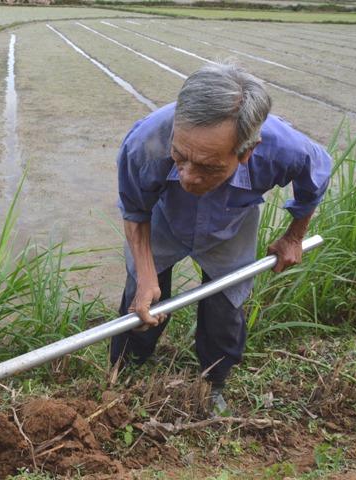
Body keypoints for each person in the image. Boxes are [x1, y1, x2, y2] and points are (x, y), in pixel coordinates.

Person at [110, 62, 332, 414]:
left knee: (225, 309)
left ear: (247, 152)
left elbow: (315, 180)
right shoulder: (146, 143)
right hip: (163, 219)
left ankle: (213, 383)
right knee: (141, 300)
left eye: (208, 166)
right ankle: (127, 367)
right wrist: (146, 274)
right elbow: (136, 211)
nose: (188, 177)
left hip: (232, 222)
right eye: (180, 158)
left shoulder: (286, 149)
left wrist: (294, 236)